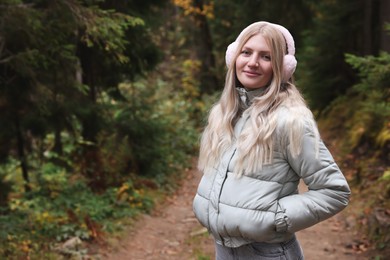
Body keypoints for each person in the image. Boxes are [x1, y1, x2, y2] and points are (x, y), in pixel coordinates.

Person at [192, 21, 351, 260]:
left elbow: (334, 191)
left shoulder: (290, 120)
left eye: (265, 56)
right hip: (224, 249)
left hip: (268, 253)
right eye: (246, 52)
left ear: (282, 67)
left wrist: (275, 218)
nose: (253, 62)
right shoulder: (225, 114)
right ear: (234, 57)